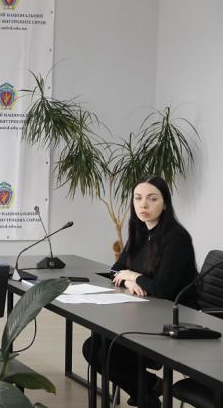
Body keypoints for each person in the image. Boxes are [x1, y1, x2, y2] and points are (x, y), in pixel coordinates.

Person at [82, 175, 197, 408]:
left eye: (152, 199)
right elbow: (114, 271)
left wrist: (132, 275)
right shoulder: (140, 232)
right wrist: (127, 281)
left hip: (174, 319)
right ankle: (149, 389)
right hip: (144, 313)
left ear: (165, 203)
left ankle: (147, 391)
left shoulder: (177, 238)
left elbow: (162, 290)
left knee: (105, 351)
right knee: (94, 346)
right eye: (138, 198)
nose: (144, 204)